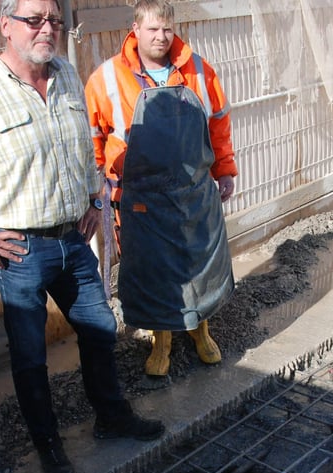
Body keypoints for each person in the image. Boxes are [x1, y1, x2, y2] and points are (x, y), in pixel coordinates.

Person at [0, 0, 164, 473]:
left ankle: (111, 418)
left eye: (55, 21)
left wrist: (94, 198)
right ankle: (49, 446)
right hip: (20, 251)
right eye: (34, 20)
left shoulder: (66, 73)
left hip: (72, 239)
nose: (47, 29)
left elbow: (81, 145)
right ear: (6, 25)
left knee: (101, 331)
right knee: (30, 357)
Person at [85, 0, 238, 378]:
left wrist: (225, 170)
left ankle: (200, 329)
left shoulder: (199, 71)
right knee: (154, 269)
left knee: (196, 263)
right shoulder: (106, 78)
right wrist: (97, 186)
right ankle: (162, 340)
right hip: (141, 197)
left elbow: (218, 123)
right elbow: (92, 138)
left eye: (167, 29)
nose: (161, 37)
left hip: (192, 192)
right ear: (135, 29)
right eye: (152, 29)